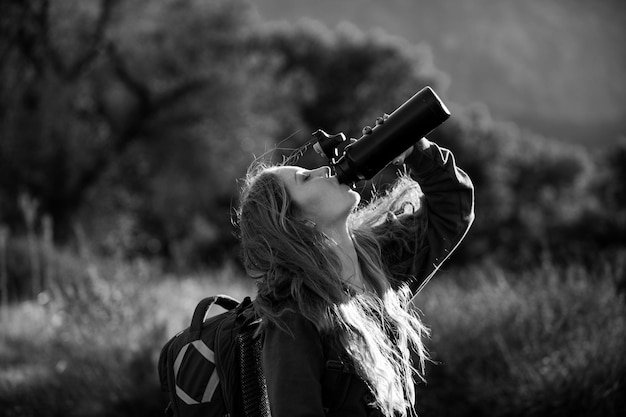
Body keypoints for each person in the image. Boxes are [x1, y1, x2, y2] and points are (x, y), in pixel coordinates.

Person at [236, 136, 474, 416]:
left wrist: (413, 150)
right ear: (299, 224)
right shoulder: (293, 318)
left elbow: (453, 208)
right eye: (305, 179)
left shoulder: (380, 267)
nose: (323, 170)